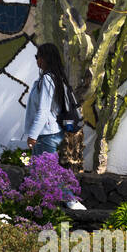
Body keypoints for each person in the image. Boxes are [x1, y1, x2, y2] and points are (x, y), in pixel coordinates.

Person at [21, 43, 87, 209]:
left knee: (49, 173)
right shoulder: (54, 78)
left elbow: (43, 111)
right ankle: (37, 206)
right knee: (38, 172)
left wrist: (33, 135)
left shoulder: (48, 79)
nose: (37, 61)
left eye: (38, 57)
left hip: (46, 134)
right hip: (48, 134)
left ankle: (72, 201)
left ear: (44, 58)